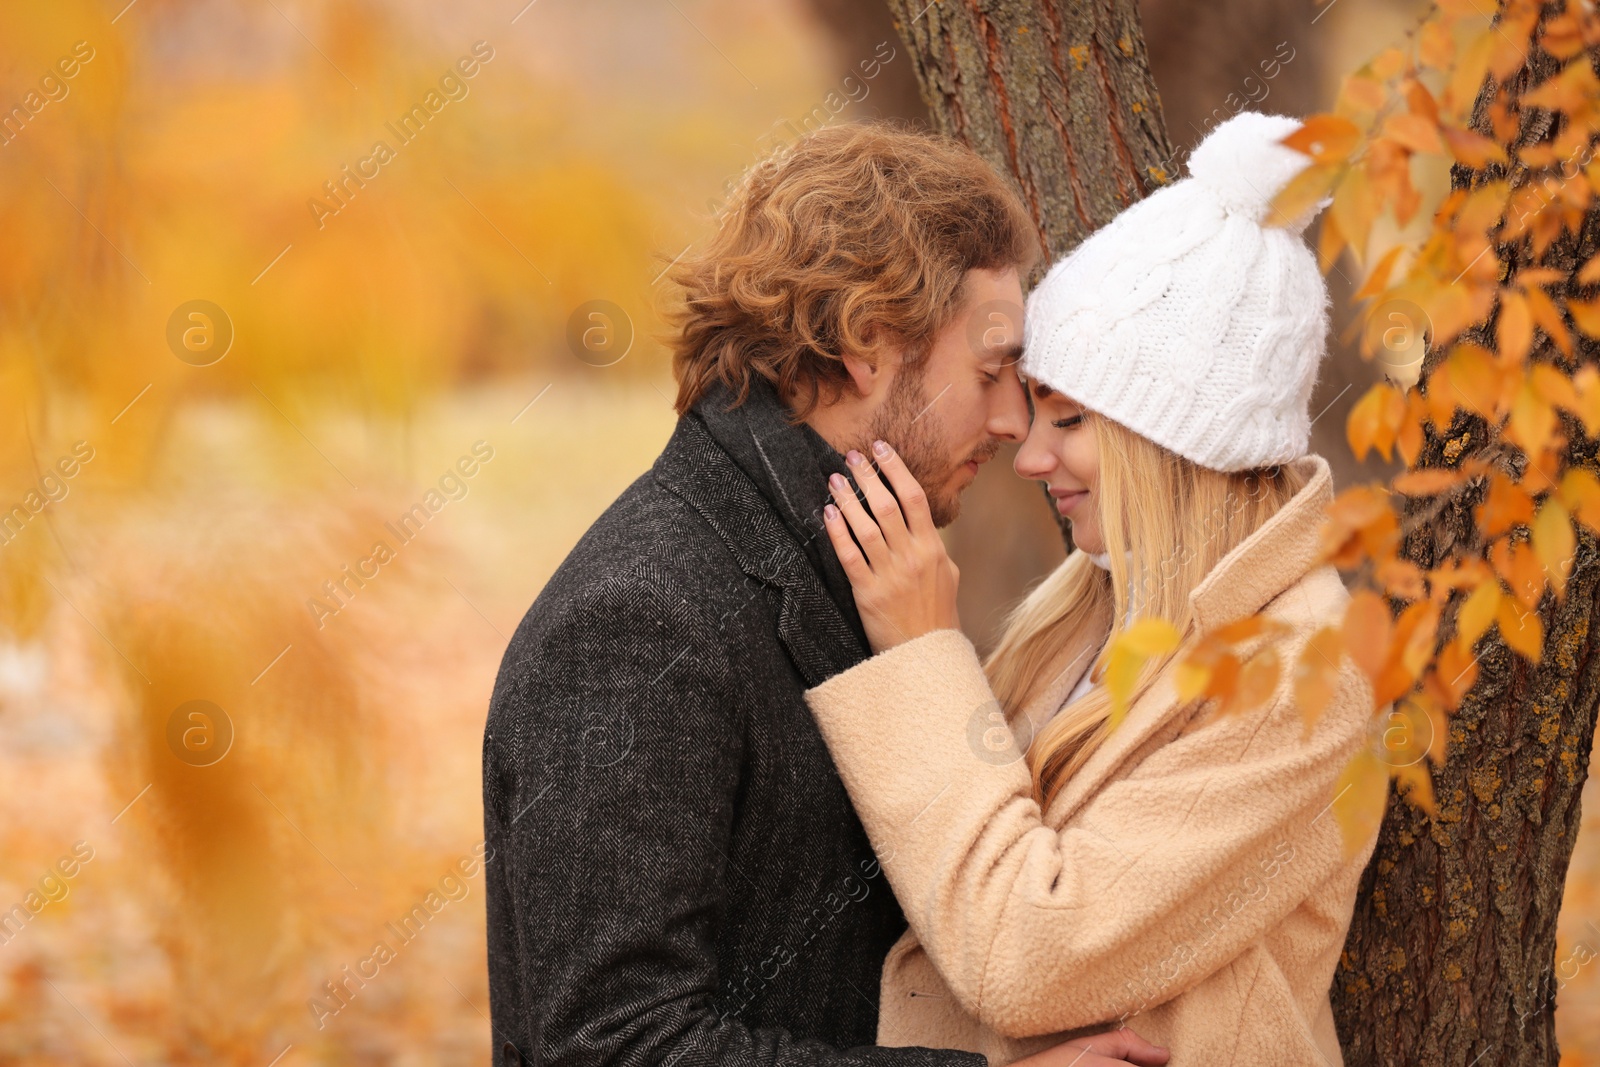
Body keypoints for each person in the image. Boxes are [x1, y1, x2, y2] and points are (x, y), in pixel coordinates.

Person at [482, 122, 1167, 1067]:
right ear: (866, 345)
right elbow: (613, 1045)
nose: (1015, 422)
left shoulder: (864, 568)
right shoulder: (642, 619)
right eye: (990, 370)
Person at [805, 112, 1385, 1066]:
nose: (1028, 455)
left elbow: (1029, 956)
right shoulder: (1092, 606)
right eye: (1034, 411)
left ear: (1172, 443)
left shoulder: (1297, 674)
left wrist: (921, 656)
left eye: (1069, 419)